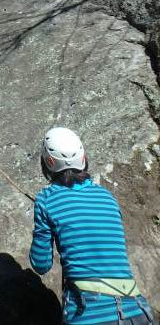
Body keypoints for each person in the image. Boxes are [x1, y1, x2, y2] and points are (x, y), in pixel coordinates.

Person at [29, 127, 155, 325]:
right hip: (137, 312)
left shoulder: (46, 200)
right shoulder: (108, 197)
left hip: (88, 316)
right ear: (84, 158)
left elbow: (41, 264)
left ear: (48, 162)